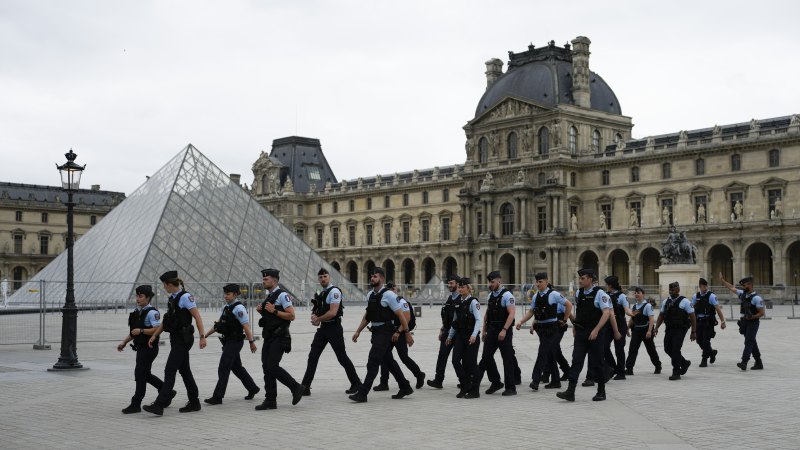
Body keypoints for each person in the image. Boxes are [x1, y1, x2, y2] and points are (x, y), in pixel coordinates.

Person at [143, 271, 208, 416]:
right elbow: (167, 320)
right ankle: (194, 402)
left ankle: (160, 404)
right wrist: (155, 335)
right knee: (185, 371)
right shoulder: (172, 298)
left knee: (170, 370)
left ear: (168, 284)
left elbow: (197, 316)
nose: (163, 288)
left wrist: (202, 336)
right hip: (177, 339)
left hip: (183, 340)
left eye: (164, 285)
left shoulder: (185, 297)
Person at [349, 268, 414, 402]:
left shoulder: (389, 295)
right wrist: (358, 331)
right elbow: (368, 316)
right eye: (371, 276)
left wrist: (406, 333)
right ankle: (405, 386)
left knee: (373, 361)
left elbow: (401, 315)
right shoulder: (370, 295)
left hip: (385, 331)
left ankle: (363, 393)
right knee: (388, 361)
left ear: (382, 279)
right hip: (376, 331)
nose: (372, 278)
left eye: (375, 276)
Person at [301, 268, 361, 396]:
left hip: (334, 328)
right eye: (321, 277)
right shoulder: (322, 292)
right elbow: (317, 308)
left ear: (329, 278)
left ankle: (356, 383)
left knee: (342, 358)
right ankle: (305, 386)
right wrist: (314, 316)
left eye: (325, 276)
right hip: (323, 328)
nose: (323, 279)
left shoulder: (334, 292)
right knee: (313, 356)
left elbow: (333, 312)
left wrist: (318, 319)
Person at [556, 268, 612, 402]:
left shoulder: (600, 294)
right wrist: (575, 326)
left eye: (583, 278)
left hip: (595, 333)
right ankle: (570, 391)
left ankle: (601, 391)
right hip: (581, 332)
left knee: (597, 362)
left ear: (590, 279)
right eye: (579, 278)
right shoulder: (579, 293)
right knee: (576, 361)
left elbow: (606, 313)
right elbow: (579, 311)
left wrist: (596, 330)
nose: (580, 281)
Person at [254, 268, 305, 410]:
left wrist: (274, 310)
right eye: (263, 279)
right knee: (266, 367)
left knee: (272, 366)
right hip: (269, 337)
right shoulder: (269, 296)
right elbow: (271, 319)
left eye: (266, 279)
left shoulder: (282, 296)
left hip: (280, 336)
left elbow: (291, 316)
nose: (263, 281)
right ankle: (270, 399)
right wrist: (262, 312)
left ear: (274, 281)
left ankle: (296, 387)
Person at [202, 284, 260, 405]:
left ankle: (218, 397)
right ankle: (252, 388)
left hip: (235, 342)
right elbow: (218, 324)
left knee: (223, 367)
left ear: (235, 294)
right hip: (228, 341)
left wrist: (251, 342)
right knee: (237, 368)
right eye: (225, 294)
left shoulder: (239, 309)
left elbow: (246, 327)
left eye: (228, 294)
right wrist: (206, 335)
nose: (225, 296)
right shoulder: (227, 307)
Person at [117, 285, 171, 414]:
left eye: (140, 296)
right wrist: (124, 342)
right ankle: (166, 390)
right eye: (136, 296)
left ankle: (136, 404)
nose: (137, 298)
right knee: (144, 374)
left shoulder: (152, 312)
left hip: (149, 348)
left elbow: (157, 329)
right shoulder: (137, 311)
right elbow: (133, 332)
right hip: (140, 348)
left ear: (148, 298)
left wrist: (141, 330)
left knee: (140, 375)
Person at [516, 272, 572, 391]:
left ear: (546, 281)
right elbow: (532, 311)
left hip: (551, 328)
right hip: (541, 328)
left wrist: (564, 320)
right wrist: (521, 321)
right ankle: (556, 381)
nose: (538, 284)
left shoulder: (554, 294)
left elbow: (569, 305)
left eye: (540, 282)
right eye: (536, 282)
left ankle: (535, 380)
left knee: (542, 353)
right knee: (551, 354)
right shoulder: (536, 296)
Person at [467, 271, 518, 398]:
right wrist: (484, 330)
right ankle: (495, 382)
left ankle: (511, 387)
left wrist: (504, 330)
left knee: (507, 359)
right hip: (491, 330)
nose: (490, 284)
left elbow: (511, 314)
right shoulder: (491, 296)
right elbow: (487, 314)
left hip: (504, 330)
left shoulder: (507, 295)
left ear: (499, 281)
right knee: (486, 358)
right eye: (489, 282)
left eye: (492, 282)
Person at [373, 282, 426, 391]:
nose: (391, 291)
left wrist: (399, 332)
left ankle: (419, 374)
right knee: (385, 356)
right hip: (389, 331)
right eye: (388, 289)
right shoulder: (386, 300)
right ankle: (384, 382)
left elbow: (407, 318)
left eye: (392, 289)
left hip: (400, 331)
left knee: (403, 357)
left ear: (395, 289)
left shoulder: (401, 301)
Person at [719, 274, 765, 371]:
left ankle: (744, 362)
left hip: (753, 323)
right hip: (744, 322)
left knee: (748, 341)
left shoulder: (757, 298)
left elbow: (762, 313)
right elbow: (732, 288)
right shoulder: (743, 294)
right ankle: (759, 362)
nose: (743, 287)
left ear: (750, 285)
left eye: (744, 286)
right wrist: (723, 281)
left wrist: (752, 317)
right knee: (752, 342)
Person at [446, 277, 482, 398]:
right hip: (460, 336)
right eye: (459, 287)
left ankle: (475, 390)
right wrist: (450, 336)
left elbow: (478, 320)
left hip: (471, 336)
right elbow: (455, 321)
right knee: (455, 360)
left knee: (471, 364)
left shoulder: (473, 302)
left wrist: (474, 335)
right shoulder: (458, 302)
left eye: (463, 287)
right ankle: (465, 384)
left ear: (468, 288)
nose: (460, 289)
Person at [654, 282, 697, 380]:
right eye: (670, 290)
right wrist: (656, 328)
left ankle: (676, 371)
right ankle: (684, 363)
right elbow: (661, 315)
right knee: (667, 348)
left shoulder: (685, 301)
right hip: (669, 328)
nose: (671, 292)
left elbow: (693, 316)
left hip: (681, 329)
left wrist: (694, 331)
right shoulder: (666, 301)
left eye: (673, 290)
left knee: (675, 349)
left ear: (678, 289)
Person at [427, 275, 462, 389]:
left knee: (460, 358)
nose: (449, 285)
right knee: (442, 355)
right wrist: (442, 330)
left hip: (459, 332)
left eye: (452, 283)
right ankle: (438, 380)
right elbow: (445, 317)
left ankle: (465, 380)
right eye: (449, 283)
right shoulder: (449, 298)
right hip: (447, 331)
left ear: (457, 284)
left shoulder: (462, 299)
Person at [624, 287, 661, 375]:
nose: (636, 294)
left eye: (638, 293)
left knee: (651, 349)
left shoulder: (648, 306)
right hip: (636, 330)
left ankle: (658, 366)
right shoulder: (635, 306)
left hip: (646, 330)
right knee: (632, 349)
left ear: (643, 294)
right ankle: (629, 369)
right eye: (635, 293)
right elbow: (632, 319)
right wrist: (628, 328)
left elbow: (651, 319)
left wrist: (649, 331)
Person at [691, 278, 727, 367]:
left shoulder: (711, 296)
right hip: (699, 321)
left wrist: (722, 321)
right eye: (704, 286)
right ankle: (711, 353)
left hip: (708, 322)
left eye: (706, 286)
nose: (706, 288)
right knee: (699, 340)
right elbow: (691, 308)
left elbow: (718, 309)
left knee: (706, 341)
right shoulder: (696, 296)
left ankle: (704, 360)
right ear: (700, 286)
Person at [603, 276, 629, 380]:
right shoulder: (605, 295)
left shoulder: (622, 296)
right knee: (604, 347)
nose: (606, 286)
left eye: (606, 284)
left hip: (620, 325)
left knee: (619, 349)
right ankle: (613, 367)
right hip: (608, 325)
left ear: (610, 285)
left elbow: (626, 309)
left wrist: (631, 314)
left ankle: (621, 372)